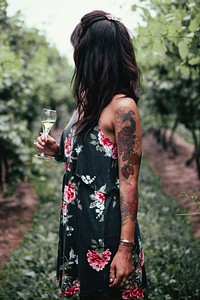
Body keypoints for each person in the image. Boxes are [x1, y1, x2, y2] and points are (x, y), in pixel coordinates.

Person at [36, 10, 147, 300]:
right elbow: (85, 156)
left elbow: (129, 183)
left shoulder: (123, 109)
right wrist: (57, 151)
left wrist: (125, 248)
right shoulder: (87, 101)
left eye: (79, 49)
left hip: (105, 225)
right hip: (78, 219)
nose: (75, 56)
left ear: (96, 55)